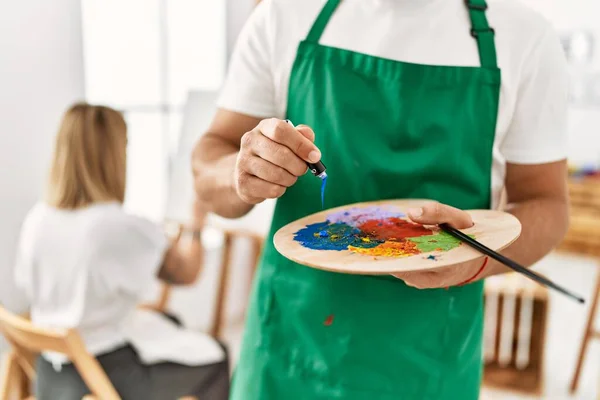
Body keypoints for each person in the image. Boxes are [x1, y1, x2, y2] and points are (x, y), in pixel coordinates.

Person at [192, 0, 570, 398]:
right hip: (288, 351)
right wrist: (241, 171)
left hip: (428, 361)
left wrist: (472, 262)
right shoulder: (283, 13)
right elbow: (208, 166)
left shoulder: (525, 37)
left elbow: (548, 206)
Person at [14, 103, 229, 400]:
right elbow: (186, 273)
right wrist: (196, 219)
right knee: (218, 358)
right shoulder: (114, 225)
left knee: (171, 323)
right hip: (98, 376)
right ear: (113, 155)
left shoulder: (38, 218)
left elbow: (28, 284)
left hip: (50, 374)